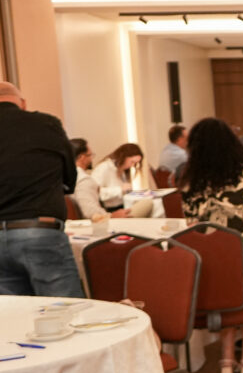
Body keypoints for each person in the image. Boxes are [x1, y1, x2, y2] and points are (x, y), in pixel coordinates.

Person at [177, 117, 243, 373]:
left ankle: (226, 359)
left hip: (204, 258)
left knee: (223, 296)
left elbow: (190, 223)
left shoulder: (190, 178)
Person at [0, 81, 84, 297]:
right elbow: (69, 178)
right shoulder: (46, 124)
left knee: (16, 320)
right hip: (39, 231)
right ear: (23, 103)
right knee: (65, 312)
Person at [92, 143, 144, 212]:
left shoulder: (122, 170)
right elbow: (95, 193)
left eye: (135, 163)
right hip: (109, 210)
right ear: (123, 157)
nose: (132, 165)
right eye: (132, 162)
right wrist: (120, 190)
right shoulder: (104, 168)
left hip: (122, 206)